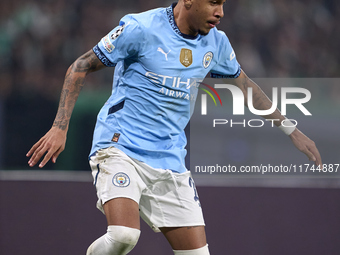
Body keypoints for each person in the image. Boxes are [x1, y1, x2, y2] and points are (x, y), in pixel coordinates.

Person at [27, 0, 322, 254]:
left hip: (169, 158)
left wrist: (291, 130)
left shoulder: (216, 43)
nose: (220, 12)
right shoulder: (140, 28)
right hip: (120, 146)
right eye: (213, 3)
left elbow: (245, 86)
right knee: (124, 236)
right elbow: (80, 66)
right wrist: (60, 128)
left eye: (223, 4)